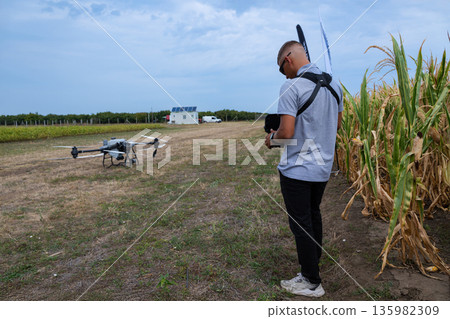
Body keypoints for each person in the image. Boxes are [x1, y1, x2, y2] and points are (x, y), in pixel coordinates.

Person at [265, 41, 343, 297]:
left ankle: (311, 281)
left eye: (280, 68)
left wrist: (271, 139)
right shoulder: (335, 85)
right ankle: (312, 266)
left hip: (297, 170)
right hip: (322, 169)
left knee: (301, 224)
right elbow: (336, 126)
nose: (283, 74)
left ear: (288, 59)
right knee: (312, 216)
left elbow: (286, 133)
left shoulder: (291, 86)